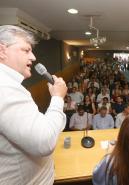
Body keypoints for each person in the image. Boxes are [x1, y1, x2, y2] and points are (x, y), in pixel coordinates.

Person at [0, 25, 67, 184]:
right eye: (26, 50)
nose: (33, 57)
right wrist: (57, 98)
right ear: (2, 51)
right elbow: (44, 142)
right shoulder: (5, 88)